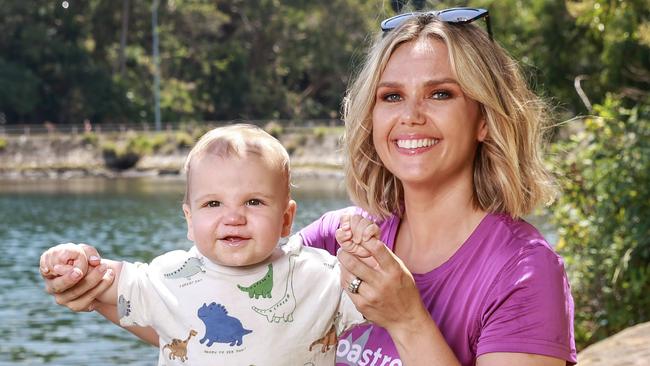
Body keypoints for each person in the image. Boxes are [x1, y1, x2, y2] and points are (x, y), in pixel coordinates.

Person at [41, 7, 577, 366]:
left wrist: (409, 320)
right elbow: (211, 323)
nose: (410, 117)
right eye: (391, 96)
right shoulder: (335, 240)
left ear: (484, 119)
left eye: (440, 94)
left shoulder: (525, 273)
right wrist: (95, 288)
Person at [39, 124, 365, 365]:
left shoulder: (322, 276)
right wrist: (74, 261)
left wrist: (365, 251)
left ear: (285, 219)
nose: (233, 217)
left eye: (253, 202)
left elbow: (389, 299)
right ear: (190, 221)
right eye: (212, 204)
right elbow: (103, 278)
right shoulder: (171, 275)